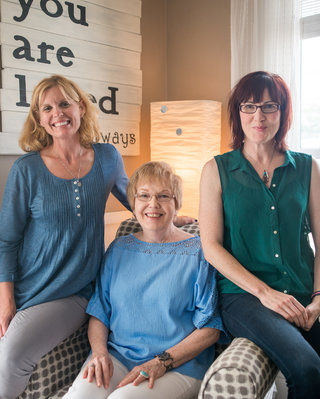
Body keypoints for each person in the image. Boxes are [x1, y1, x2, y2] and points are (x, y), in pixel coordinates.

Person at [0, 74, 132, 399]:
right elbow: (7, 242)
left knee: (12, 354)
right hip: (25, 284)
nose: (57, 113)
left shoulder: (107, 158)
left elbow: (139, 200)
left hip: (73, 292)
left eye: (64, 103)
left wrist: (176, 214)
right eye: (47, 108)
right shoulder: (26, 169)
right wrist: (6, 301)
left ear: (81, 108)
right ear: (40, 119)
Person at [199, 71, 320, 399]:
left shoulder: (309, 168)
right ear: (237, 113)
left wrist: (319, 299)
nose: (259, 116)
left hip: (304, 290)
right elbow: (210, 247)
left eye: (269, 106)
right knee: (307, 369)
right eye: (249, 106)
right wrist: (266, 293)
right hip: (245, 297)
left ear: (283, 112)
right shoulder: (216, 170)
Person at [63, 161, 226, 399]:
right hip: (117, 357)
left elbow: (211, 328)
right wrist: (98, 353)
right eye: (144, 195)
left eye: (163, 196)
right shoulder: (118, 249)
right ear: (134, 202)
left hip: (177, 366)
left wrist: (161, 362)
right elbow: (99, 313)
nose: (153, 204)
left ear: (177, 203)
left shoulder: (199, 253)